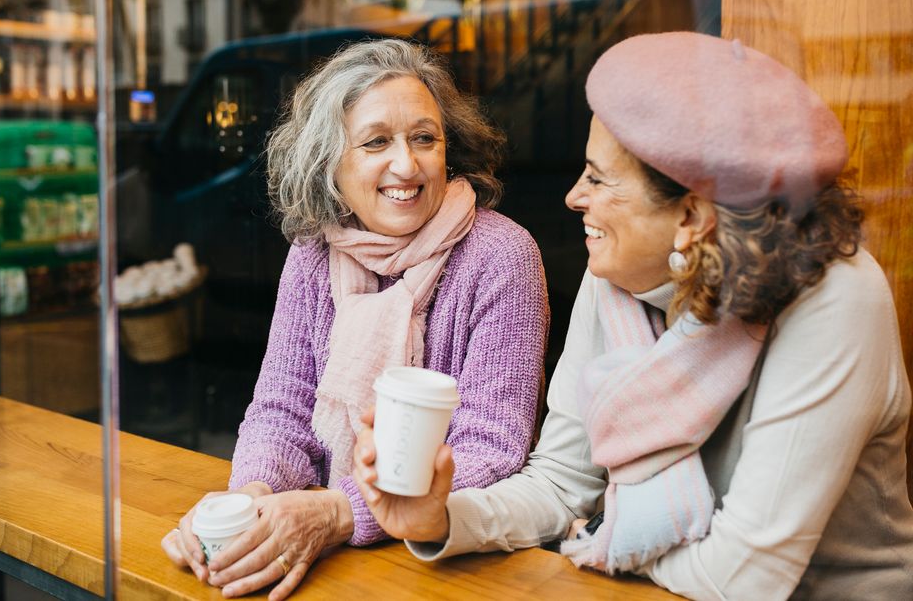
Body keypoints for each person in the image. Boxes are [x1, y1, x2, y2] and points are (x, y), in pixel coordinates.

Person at [352, 32, 913, 599]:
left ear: (692, 215)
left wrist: (604, 542)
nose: (574, 197)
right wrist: (440, 519)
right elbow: (560, 484)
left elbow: (746, 576)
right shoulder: (616, 275)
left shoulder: (835, 299)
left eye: (597, 178)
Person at [160, 38, 550, 599]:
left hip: (448, 566)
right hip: (325, 561)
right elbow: (282, 407)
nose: (406, 165)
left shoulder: (502, 256)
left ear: (449, 148)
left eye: (424, 138)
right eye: (375, 142)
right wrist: (251, 500)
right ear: (330, 164)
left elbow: (492, 448)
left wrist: (339, 513)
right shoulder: (314, 252)